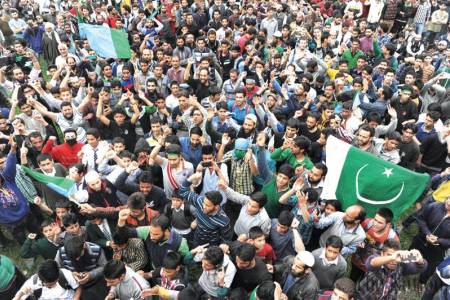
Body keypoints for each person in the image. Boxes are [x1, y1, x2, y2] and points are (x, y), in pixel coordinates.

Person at [357, 239, 427, 299]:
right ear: (382, 253)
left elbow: (421, 268)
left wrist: (420, 260)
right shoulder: (377, 259)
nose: (393, 260)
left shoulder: (401, 265)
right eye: (389, 255)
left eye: (397, 256)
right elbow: (371, 263)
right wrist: (393, 257)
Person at [13, 259, 81, 300]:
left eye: (52, 284)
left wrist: (75, 298)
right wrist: (17, 297)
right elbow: (23, 291)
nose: (49, 287)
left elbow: (78, 287)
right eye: (45, 284)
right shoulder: (34, 281)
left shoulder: (65, 274)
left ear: (57, 277)